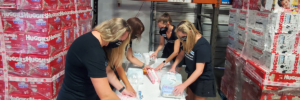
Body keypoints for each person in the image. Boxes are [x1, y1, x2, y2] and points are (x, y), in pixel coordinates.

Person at [57, 17, 132, 100]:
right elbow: (106, 95)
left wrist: (123, 90)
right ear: (112, 35)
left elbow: (108, 71)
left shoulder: (97, 42)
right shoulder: (93, 50)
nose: (118, 45)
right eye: (119, 41)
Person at [170, 20, 216, 100]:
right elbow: (181, 54)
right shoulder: (188, 40)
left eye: (183, 37)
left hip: (202, 80)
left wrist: (183, 85)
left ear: (190, 32)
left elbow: (199, 71)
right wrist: (173, 66)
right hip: (191, 75)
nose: (182, 40)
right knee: (188, 98)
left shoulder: (202, 46)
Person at [107, 17, 152, 96]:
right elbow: (118, 64)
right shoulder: (119, 40)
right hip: (107, 69)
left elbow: (130, 57)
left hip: (111, 70)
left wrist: (144, 65)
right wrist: (128, 85)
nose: (136, 37)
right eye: (136, 34)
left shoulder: (128, 39)